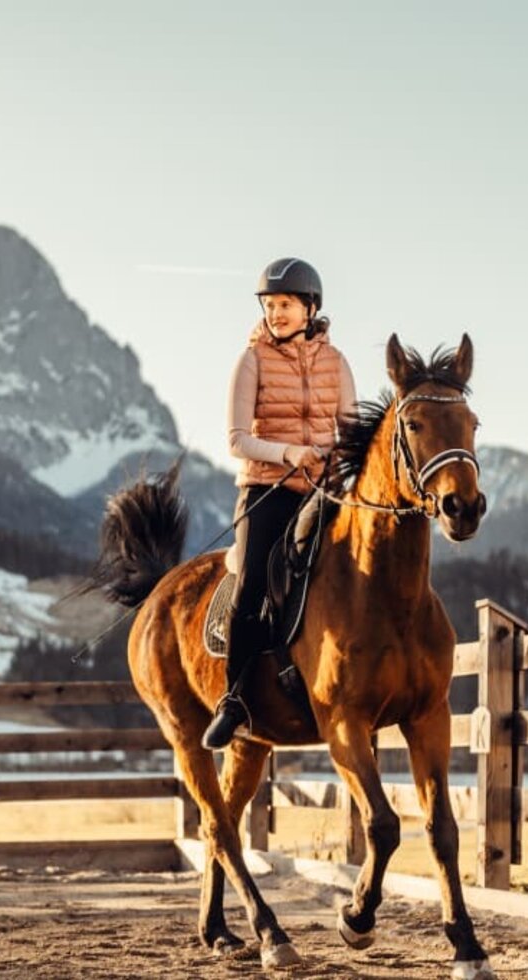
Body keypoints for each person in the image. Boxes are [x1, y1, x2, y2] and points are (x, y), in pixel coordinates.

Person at [202, 257, 357, 750]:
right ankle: (235, 700)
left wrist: (333, 461)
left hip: (322, 491)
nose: (276, 314)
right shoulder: (251, 360)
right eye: (270, 305)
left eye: (286, 304)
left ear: (311, 308)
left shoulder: (337, 363)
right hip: (266, 488)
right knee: (250, 584)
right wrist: (289, 452)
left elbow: (351, 434)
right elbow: (236, 440)